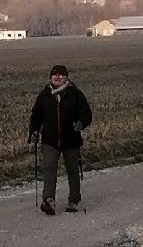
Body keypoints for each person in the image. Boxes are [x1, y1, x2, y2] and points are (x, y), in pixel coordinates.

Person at [28, 65, 93, 215]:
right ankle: (49, 201)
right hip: (50, 140)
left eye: (61, 75)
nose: (57, 77)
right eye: (54, 75)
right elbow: (36, 116)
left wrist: (81, 123)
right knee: (49, 168)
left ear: (66, 77)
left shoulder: (75, 94)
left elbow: (86, 114)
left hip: (71, 139)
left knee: (72, 170)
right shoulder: (44, 95)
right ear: (50, 77)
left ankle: (74, 200)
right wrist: (34, 131)